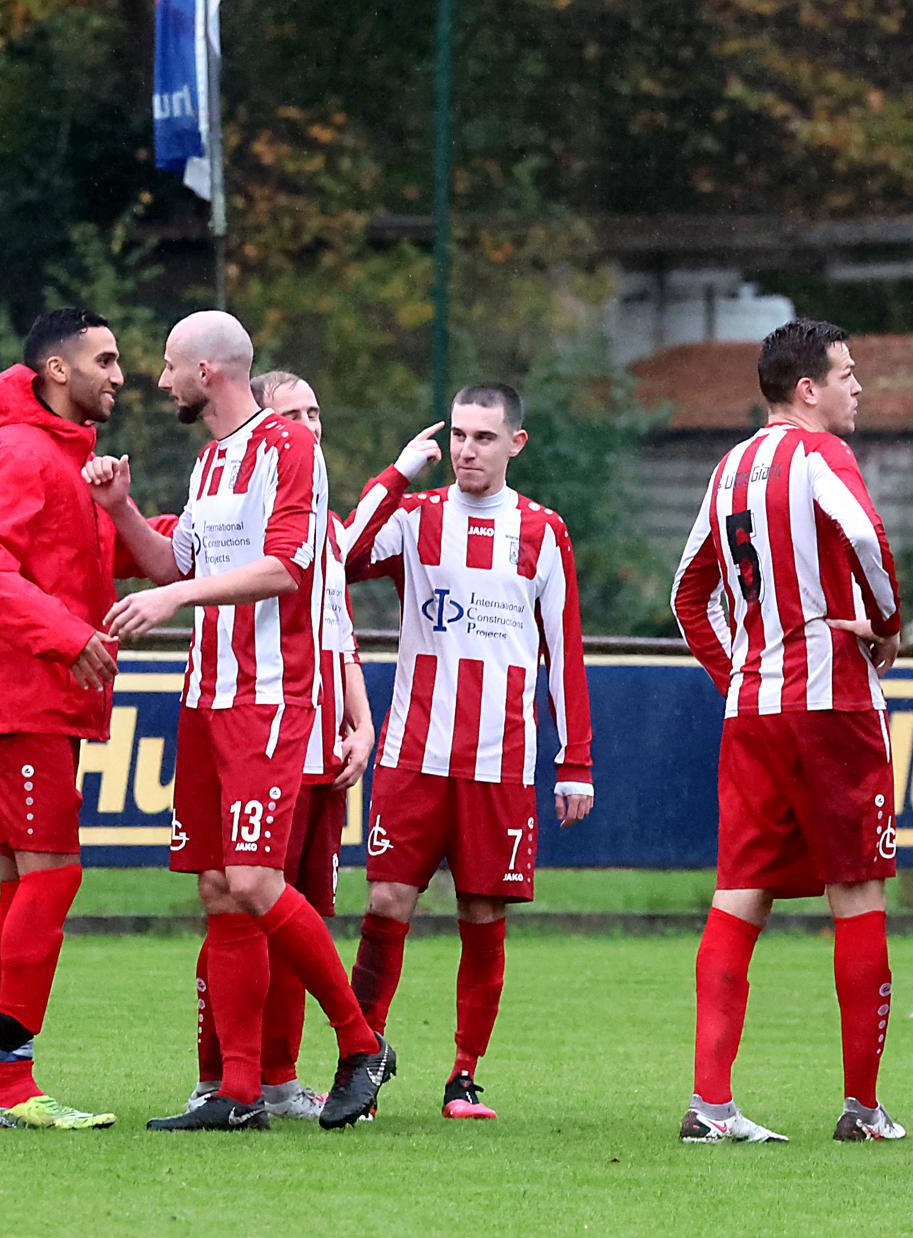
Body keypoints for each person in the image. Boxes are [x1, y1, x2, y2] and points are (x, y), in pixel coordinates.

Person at [84, 308, 398, 1132]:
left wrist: (175, 595)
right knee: (221, 891)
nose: (159, 380)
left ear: (210, 372)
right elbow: (174, 560)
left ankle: (360, 1044)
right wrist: (120, 511)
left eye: (169, 365)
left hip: (268, 696)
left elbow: (285, 569)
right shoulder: (211, 460)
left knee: (260, 881)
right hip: (205, 696)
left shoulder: (291, 449)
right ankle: (235, 1093)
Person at [668, 318, 903, 1145]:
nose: (856, 387)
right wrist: (886, 624)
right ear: (806, 389)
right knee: (858, 892)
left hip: (752, 711)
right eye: (845, 373)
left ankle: (711, 1103)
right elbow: (868, 540)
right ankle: (862, 1108)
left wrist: (737, 673)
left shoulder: (727, 468)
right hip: (833, 703)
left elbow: (686, 596)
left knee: (739, 892)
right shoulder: (821, 457)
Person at [182, 372, 437, 1118]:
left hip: (310, 730)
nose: (307, 427)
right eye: (292, 413)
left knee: (281, 900)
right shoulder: (262, 505)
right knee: (242, 890)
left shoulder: (314, 524)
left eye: (316, 413)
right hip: (264, 718)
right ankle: (231, 1078)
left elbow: (341, 634)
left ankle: (278, 1078)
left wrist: (360, 720)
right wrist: (398, 471)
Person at [342, 383, 596, 1121]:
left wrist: (573, 760)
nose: (465, 450)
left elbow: (564, 653)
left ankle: (462, 1077)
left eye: (483, 437)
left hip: (500, 762)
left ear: (515, 444)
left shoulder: (543, 532)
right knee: (386, 900)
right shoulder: (415, 517)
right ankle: (360, 1056)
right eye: (457, 434)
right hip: (413, 753)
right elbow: (345, 554)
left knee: (482, 915)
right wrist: (394, 474)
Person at [0, 307, 131, 1131]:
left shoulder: (66, 459)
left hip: (34, 696)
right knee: (52, 872)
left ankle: (2, 1082)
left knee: (27, 878)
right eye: (106, 359)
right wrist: (67, 637)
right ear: (58, 371)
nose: (119, 375)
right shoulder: (18, 453)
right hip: (17, 693)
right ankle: (9, 1083)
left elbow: (81, 558)